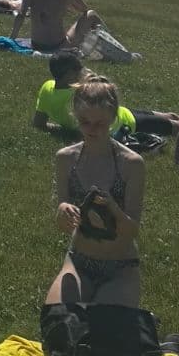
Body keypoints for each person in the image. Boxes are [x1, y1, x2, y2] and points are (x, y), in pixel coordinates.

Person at [45, 76, 145, 314]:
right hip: (79, 262)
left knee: (102, 337)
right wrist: (62, 211)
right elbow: (63, 222)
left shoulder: (131, 164)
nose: (92, 130)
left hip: (120, 267)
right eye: (84, 122)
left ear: (113, 118)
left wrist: (112, 208)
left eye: (99, 123)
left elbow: (132, 230)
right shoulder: (66, 158)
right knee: (59, 327)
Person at [31, 50, 138, 136]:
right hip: (124, 123)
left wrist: (64, 128)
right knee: (154, 120)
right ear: (70, 74)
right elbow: (104, 88)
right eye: (79, 69)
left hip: (116, 121)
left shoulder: (47, 88)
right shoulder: (80, 92)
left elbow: (39, 123)